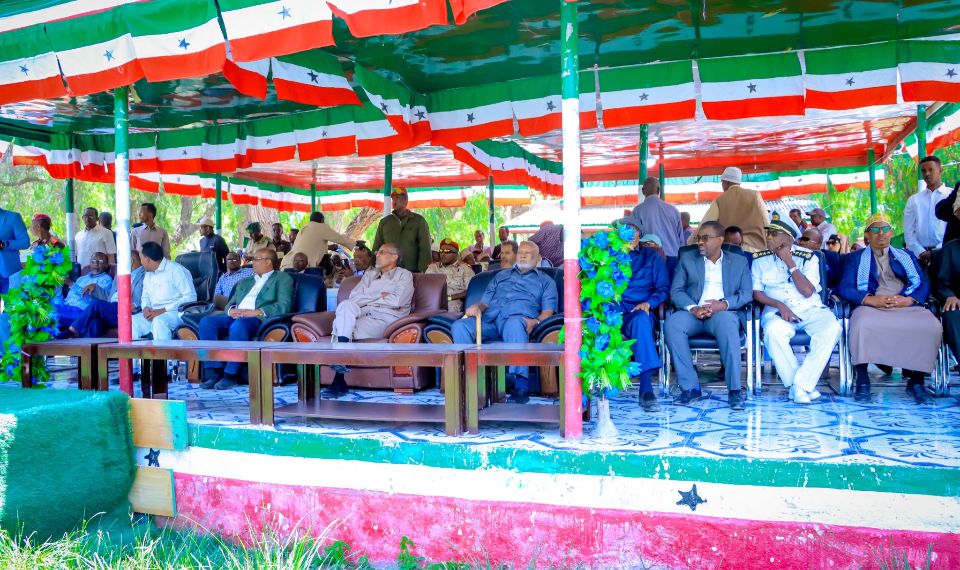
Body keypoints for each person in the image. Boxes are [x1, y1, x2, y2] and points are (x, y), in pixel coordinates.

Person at [837, 213, 941, 404]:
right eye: (875, 230)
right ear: (867, 235)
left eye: (885, 229)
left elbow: (923, 284)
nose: (881, 234)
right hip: (871, 305)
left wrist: (909, 300)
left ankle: (916, 381)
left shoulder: (906, 256)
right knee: (861, 324)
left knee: (931, 326)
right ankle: (862, 380)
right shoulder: (855, 258)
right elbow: (845, 288)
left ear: (891, 233)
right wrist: (869, 299)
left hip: (904, 302)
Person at [452, 241, 558, 403]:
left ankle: (521, 387)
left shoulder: (546, 282)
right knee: (459, 326)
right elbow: (484, 303)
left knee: (514, 325)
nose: (523, 256)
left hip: (518, 321)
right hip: (490, 321)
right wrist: (476, 307)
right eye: (520, 252)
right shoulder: (500, 276)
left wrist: (535, 322)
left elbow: (547, 313)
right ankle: (470, 382)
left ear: (538, 258)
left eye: (528, 253)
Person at [752, 214, 841, 404]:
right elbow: (756, 292)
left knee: (832, 328)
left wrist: (790, 262)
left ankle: (799, 386)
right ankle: (803, 387)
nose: (768, 237)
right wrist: (780, 305)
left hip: (809, 309)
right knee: (773, 332)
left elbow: (808, 292)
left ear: (789, 238)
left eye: (774, 234)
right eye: (768, 233)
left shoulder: (809, 258)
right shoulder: (760, 260)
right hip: (777, 312)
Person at [666, 221, 753, 410]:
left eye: (705, 238)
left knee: (728, 324)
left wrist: (723, 304)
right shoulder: (688, 259)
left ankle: (734, 390)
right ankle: (691, 388)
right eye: (699, 238)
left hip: (723, 313)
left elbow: (746, 294)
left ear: (720, 239)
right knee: (672, 323)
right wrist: (693, 308)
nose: (700, 242)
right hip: (693, 313)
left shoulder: (739, 262)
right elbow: (676, 291)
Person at [323, 243, 415, 398]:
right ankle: (340, 373)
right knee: (345, 305)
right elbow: (353, 297)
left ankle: (339, 379)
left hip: (384, 317)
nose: (377, 254)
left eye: (382, 252)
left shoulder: (404, 275)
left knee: (340, 326)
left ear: (394, 257)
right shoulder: (370, 274)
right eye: (377, 252)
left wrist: (368, 296)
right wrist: (381, 294)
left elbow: (397, 300)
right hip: (363, 313)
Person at [199, 249, 293, 390]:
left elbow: (284, 305)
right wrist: (231, 310)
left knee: (240, 325)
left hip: (258, 318)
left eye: (256, 259)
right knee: (206, 322)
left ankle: (231, 375)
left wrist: (257, 312)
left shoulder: (282, 278)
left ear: (268, 262)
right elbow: (230, 303)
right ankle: (215, 372)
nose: (252, 262)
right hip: (236, 316)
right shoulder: (245, 282)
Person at [616, 219, 669, 412]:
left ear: (640, 234)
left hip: (640, 310)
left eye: (632, 231)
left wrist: (648, 303)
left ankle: (646, 389)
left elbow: (663, 289)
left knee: (641, 320)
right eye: (623, 230)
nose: (628, 235)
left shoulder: (652, 257)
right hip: (613, 312)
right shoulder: (607, 257)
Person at [66, 251, 145, 338]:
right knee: (95, 322)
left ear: (130, 261)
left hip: (125, 308)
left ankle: (72, 330)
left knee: (96, 304)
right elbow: (109, 297)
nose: (119, 264)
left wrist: (134, 306)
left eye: (120, 261)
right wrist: (95, 288)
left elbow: (144, 297)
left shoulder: (143, 275)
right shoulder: (120, 273)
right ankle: (90, 346)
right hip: (111, 307)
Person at [693, 167, 769, 252]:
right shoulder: (755, 195)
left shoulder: (720, 200)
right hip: (755, 249)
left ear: (727, 182)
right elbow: (766, 222)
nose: (722, 185)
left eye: (722, 182)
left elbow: (706, 224)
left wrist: (691, 241)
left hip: (731, 250)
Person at [133, 241, 197, 340]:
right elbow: (145, 296)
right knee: (132, 321)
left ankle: (162, 351)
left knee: (159, 321)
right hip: (153, 313)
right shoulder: (148, 274)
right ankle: (137, 351)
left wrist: (163, 310)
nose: (141, 262)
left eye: (141, 259)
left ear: (148, 259)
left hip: (174, 313)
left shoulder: (176, 270)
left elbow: (191, 296)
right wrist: (145, 307)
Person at [630, 176, 685, 273]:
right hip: (673, 259)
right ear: (659, 190)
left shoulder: (637, 211)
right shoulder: (673, 210)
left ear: (643, 191)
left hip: (650, 259)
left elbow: (634, 239)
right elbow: (681, 240)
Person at [905, 156, 952, 266]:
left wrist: (938, 251)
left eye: (931, 170)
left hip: (948, 253)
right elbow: (908, 232)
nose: (927, 174)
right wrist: (920, 252)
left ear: (940, 170)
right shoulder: (914, 200)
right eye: (923, 171)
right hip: (921, 258)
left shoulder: (952, 196)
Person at [373, 189, 431, 273]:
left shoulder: (418, 221)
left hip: (412, 272)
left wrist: (423, 271)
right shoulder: (385, 222)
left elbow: (425, 248)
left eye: (397, 198)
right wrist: (374, 268)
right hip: (388, 272)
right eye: (393, 198)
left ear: (405, 200)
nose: (394, 201)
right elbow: (377, 246)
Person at [280, 211, 354, 270]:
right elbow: (340, 238)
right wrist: (355, 244)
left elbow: (310, 245)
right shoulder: (321, 227)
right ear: (322, 220)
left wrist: (328, 247)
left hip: (286, 265)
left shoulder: (304, 228)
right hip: (302, 267)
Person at [58, 252, 114, 327]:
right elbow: (70, 296)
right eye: (93, 261)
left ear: (106, 265)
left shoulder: (106, 279)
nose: (96, 264)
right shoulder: (81, 279)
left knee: (51, 314)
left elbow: (95, 300)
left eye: (100, 262)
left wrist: (71, 284)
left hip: (82, 311)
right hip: (67, 308)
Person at [426, 238, 474, 312]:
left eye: (447, 252)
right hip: (430, 302)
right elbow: (424, 287)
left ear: (456, 254)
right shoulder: (433, 267)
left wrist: (449, 298)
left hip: (451, 304)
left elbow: (471, 290)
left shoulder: (465, 269)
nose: (443, 254)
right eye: (441, 251)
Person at [937, 239, 960, 378]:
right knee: (951, 312)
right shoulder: (950, 250)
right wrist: (949, 295)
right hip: (957, 302)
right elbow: (941, 284)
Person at [0, 206, 29, 294]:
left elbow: (25, 242)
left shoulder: (13, 217)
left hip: (8, 274)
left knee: (11, 302)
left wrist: (4, 244)